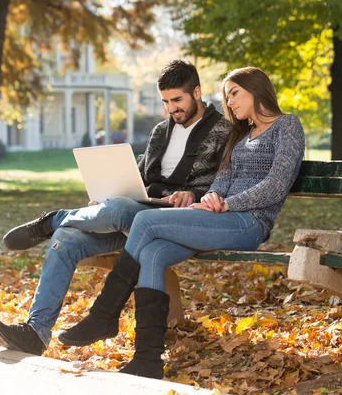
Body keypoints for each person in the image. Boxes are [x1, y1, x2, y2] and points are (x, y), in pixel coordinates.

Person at [58, 66, 306, 379]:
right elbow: (223, 179)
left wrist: (228, 203)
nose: (229, 103)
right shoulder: (240, 136)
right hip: (218, 216)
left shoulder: (287, 126)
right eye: (226, 96)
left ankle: (104, 314)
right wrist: (214, 197)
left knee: (146, 222)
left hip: (249, 222)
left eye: (234, 94)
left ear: (256, 89)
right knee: (152, 252)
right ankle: (148, 359)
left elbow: (277, 184)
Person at [0, 59, 232, 356]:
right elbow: (138, 177)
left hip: (174, 221)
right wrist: (107, 195)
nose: (171, 108)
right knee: (67, 239)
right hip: (135, 212)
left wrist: (192, 194)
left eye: (177, 100)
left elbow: (226, 183)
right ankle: (36, 332)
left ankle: (54, 219)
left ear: (198, 93)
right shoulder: (161, 132)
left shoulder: (223, 131)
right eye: (165, 101)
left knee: (112, 211)